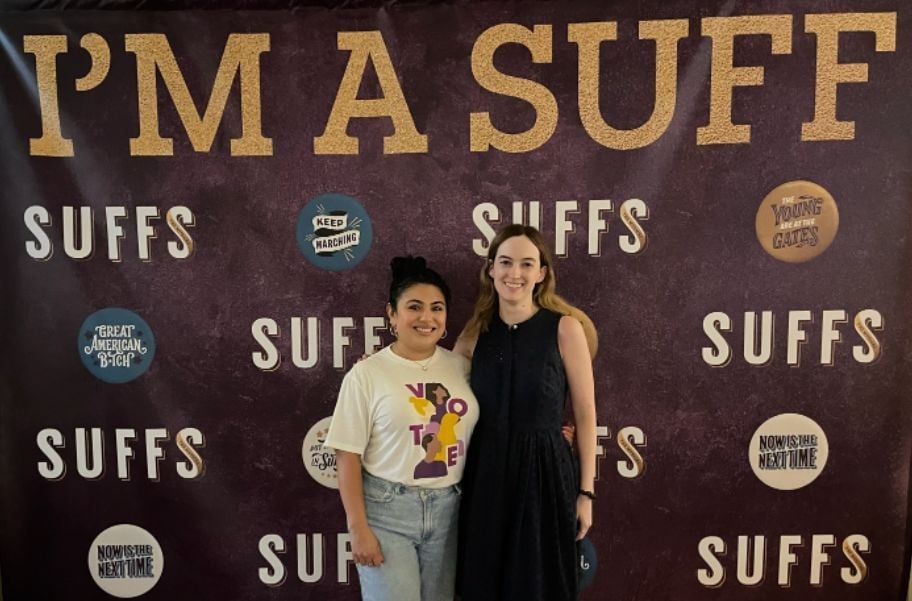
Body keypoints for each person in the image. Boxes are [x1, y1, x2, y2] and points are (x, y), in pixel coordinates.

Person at [455, 224, 598, 601]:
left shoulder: (565, 329)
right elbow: (436, 396)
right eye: (504, 262)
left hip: (545, 475)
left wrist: (585, 493)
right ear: (490, 269)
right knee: (485, 581)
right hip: (485, 474)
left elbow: (585, 413)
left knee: (540, 584)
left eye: (526, 263)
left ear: (541, 273)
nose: (514, 273)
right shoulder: (473, 335)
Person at [324, 256, 479, 601]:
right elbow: (347, 454)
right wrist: (358, 528)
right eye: (414, 307)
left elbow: (501, 418)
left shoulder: (462, 368)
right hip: (387, 512)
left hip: (449, 513)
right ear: (392, 315)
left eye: (437, 308)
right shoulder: (367, 374)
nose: (427, 317)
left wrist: (552, 434)